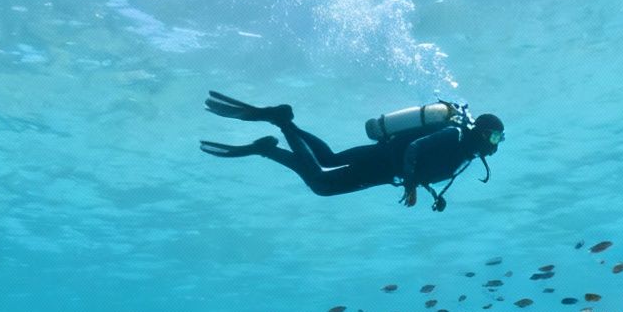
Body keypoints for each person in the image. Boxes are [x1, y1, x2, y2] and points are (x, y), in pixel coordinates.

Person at [200, 92, 504, 212]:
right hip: (383, 164)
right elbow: (415, 148)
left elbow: (424, 161)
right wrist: (411, 185)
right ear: (481, 131)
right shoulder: (454, 135)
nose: (494, 144)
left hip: (384, 161)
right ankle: (279, 130)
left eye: (499, 139)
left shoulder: (465, 151)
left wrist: (433, 195)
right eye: (493, 136)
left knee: (327, 161)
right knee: (320, 183)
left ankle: (274, 135)